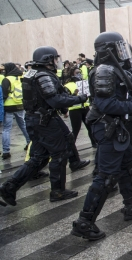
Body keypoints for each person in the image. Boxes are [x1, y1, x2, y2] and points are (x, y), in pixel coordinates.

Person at [71, 32, 132, 240]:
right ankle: (85, 222)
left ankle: (131, 207)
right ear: (107, 50)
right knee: (106, 176)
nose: (122, 52)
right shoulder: (104, 71)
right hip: (109, 127)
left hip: (119, 127)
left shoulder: (115, 69)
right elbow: (105, 104)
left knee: (127, 166)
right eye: (118, 48)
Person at [0, 46, 89, 207]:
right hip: (45, 120)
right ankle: (57, 191)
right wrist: (79, 99)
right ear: (47, 60)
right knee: (59, 154)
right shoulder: (42, 76)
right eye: (55, 59)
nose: (57, 62)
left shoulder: (33, 73)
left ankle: (9, 187)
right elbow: (54, 100)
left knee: (39, 157)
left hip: (37, 119)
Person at [2, 62, 30, 159]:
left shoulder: (7, 79)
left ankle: (6, 151)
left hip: (9, 106)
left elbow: (4, 95)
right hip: (20, 104)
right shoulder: (20, 77)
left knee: (6, 129)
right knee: (23, 125)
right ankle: (29, 143)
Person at [64, 68, 95, 148]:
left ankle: (94, 143)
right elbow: (66, 99)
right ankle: (71, 148)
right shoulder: (67, 85)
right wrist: (74, 94)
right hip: (75, 110)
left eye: (80, 72)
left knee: (90, 127)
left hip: (85, 107)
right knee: (76, 130)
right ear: (72, 74)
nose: (79, 74)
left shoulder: (83, 83)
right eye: (77, 73)